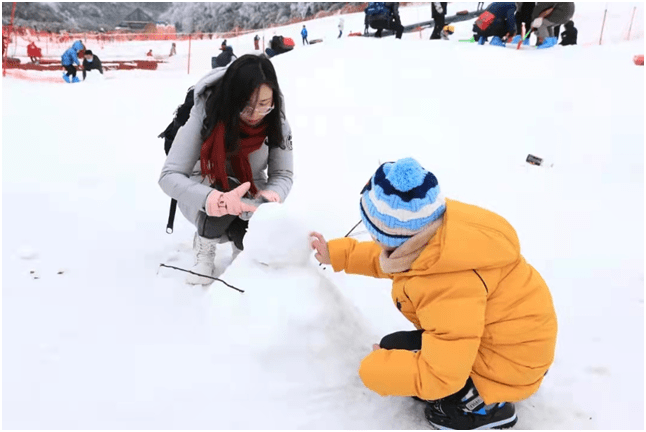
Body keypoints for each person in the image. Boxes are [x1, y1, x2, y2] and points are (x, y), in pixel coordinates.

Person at [310, 157, 557, 430]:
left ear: (394, 237)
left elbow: (442, 376)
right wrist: (338, 254)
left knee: (436, 401)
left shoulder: (450, 285)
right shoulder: (437, 236)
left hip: (512, 364)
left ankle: (486, 406)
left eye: (375, 236)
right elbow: (392, 260)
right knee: (394, 347)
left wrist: (377, 371)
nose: (375, 242)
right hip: (505, 343)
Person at [159, 55, 294, 285]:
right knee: (227, 187)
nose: (254, 114)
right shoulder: (206, 112)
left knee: (249, 223)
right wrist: (213, 199)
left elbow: (283, 174)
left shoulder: (276, 120)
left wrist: (269, 197)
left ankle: (243, 251)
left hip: (250, 190)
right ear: (232, 99)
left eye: (264, 104)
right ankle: (205, 244)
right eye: (246, 105)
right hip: (204, 186)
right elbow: (168, 176)